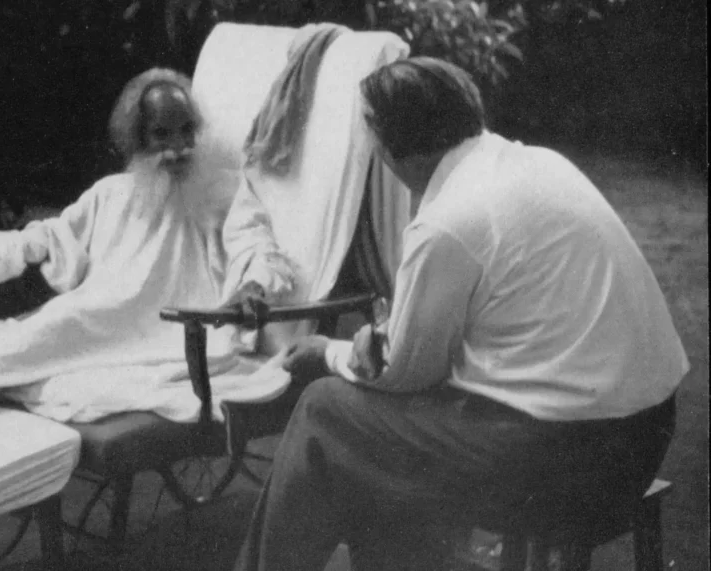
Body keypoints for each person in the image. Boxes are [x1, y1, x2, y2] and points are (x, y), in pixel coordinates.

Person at [232, 56, 689, 571]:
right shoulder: (536, 163)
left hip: (571, 458)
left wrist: (327, 352)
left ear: (388, 145)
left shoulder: (448, 220)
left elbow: (403, 373)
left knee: (326, 410)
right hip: (647, 435)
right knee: (372, 442)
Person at [0, 67, 292, 462]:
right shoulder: (112, 193)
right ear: (138, 138)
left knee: (25, 342)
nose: (178, 148)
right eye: (162, 134)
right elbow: (47, 238)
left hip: (167, 333)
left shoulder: (223, 190)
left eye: (186, 131)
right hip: (96, 318)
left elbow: (256, 244)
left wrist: (252, 287)